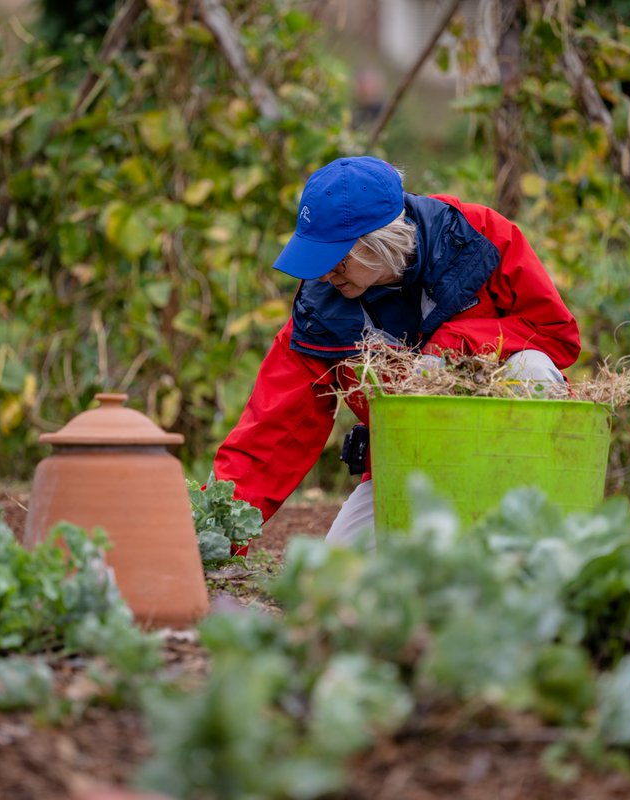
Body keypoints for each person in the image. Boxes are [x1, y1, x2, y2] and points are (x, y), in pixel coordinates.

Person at [212, 156, 581, 547]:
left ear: (382, 240)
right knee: (340, 575)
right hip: (410, 465)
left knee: (533, 369)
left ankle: (547, 545)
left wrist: (448, 350)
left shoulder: (480, 237)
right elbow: (272, 431)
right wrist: (213, 532)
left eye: (336, 259)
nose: (323, 274)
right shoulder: (320, 309)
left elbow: (555, 334)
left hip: (505, 457)